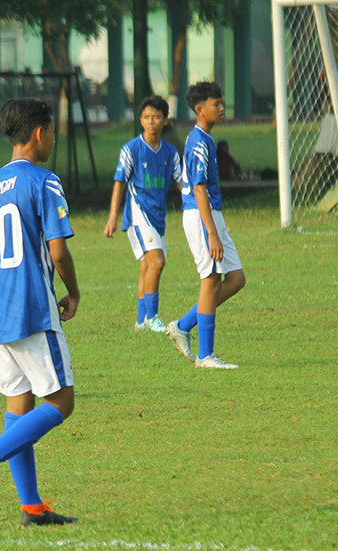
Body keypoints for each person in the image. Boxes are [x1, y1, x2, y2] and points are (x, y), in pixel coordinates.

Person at [0, 98, 80, 527]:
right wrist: (75, 293)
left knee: (19, 403)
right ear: (40, 133)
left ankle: (31, 508)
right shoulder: (44, 182)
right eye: (53, 130)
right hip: (32, 309)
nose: (55, 138)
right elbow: (58, 252)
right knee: (62, 401)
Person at [165, 82, 246, 369]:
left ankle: (183, 325)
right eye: (216, 104)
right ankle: (205, 355)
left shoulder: (206, 139)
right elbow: (198, 188)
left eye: (222, 103)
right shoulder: (199, 141)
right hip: (201, 216)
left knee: (236, 279)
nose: (222, 108)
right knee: (210, 280)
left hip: (211, 214)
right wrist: (211, 231)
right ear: (200, 110)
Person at [103, 95, 181, 333]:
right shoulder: (131, 150)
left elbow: (182, 184)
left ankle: (140, 321)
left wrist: (198, 209)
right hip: (138, 217)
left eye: (156, 117)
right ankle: (153, 316)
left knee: (147, 267)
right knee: (157, 262)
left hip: (158, 218)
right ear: (140, 120)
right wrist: (112, 218)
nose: (151, 122)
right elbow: (120, 183)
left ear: (165, 121)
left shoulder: (170, 153)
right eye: (146, 117)